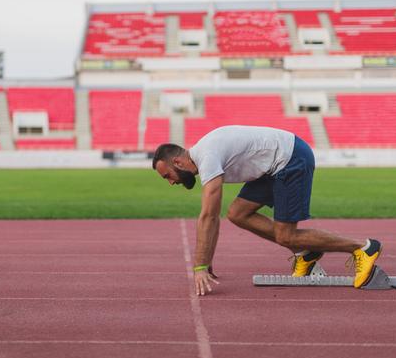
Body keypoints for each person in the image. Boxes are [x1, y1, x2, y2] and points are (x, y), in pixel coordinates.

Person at [152, 125, 382, 296]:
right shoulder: (205, 154)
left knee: (286, 235)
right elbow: (214, 216)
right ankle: (307, 253)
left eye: (167, 176)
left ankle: (363, 248)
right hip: (272, 166)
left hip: (290, 159)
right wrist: (206, 258)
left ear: (179, 163)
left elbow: (209, 216)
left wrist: (201, 265)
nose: (171, 182)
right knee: (238, 213)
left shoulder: (207, 156)